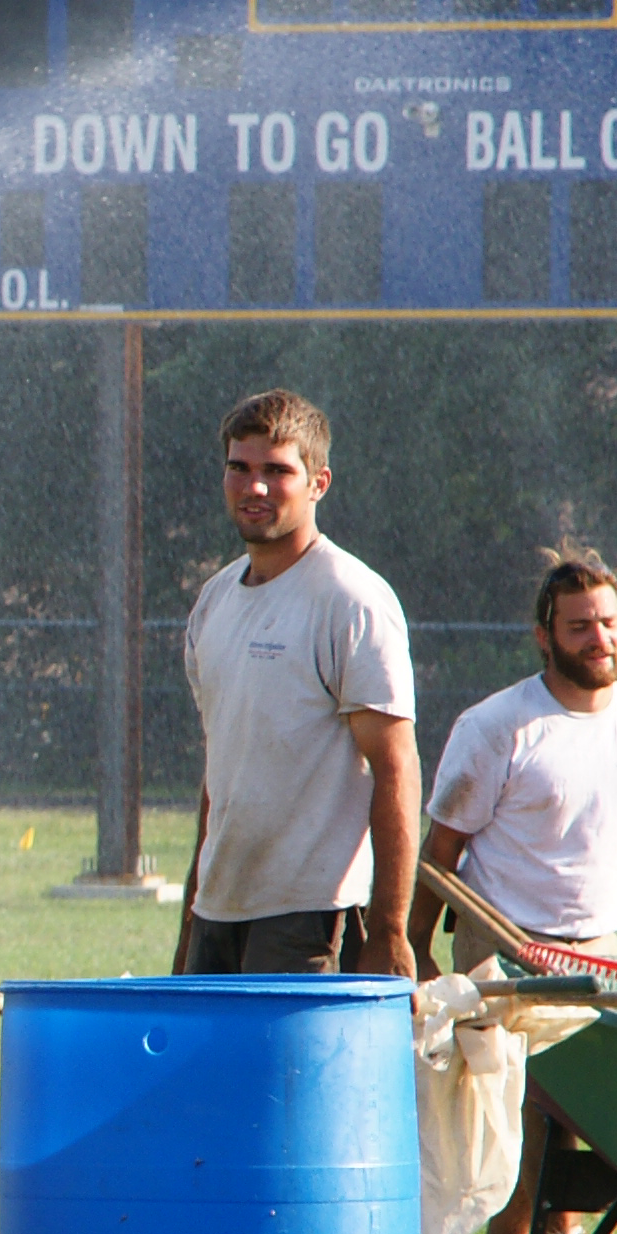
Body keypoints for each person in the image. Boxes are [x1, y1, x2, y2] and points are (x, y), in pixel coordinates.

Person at [419, 551, 617, 1234]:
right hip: (500, 942)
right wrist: (413, 949)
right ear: (544, 636)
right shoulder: (499, 727)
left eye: (607, 622)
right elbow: (442, 854)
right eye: (579, 627)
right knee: (515, 1102)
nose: (598, 639)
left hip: (592, 945)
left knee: (586, 1107)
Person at [174, 390, 419, 980]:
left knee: (284, 1079)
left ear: (319, 482)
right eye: (240, 468)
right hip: (219, 911)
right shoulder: (214, 601)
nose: (254, 487)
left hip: (310, 915)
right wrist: (191, 918)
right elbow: (220, 775)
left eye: (277, 471)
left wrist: (389, 930)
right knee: (210, 1077)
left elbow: (396, 768)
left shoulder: (349, 599)